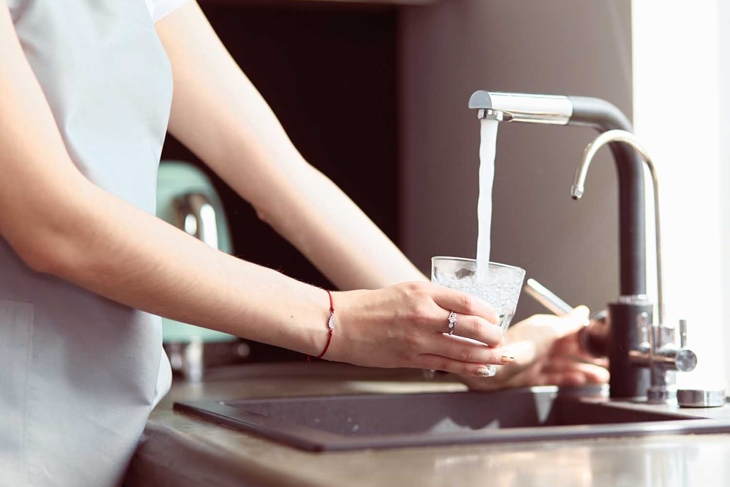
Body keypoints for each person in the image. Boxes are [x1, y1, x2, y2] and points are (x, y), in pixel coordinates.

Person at [0, 1, 607, 485]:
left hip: (100, 430)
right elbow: (51, 221)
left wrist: (458, 343)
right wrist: (336, 322)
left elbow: (284, 179)